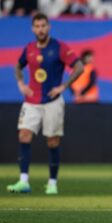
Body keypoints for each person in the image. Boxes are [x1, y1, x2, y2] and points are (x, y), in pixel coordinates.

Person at [7, 13, 84, 195]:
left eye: (43, 26)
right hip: (31, 101)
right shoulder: (29, 48)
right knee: (24, 135)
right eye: (37, 26)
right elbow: (18, 66)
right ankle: (23, 181)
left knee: (52, 141)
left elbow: (79, 66)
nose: (40, 29)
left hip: (52, 101)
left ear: (48, 27)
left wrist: (63, 86)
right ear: (33, 29)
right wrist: (21, 84)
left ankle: (52, 183)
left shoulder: (59, 47)